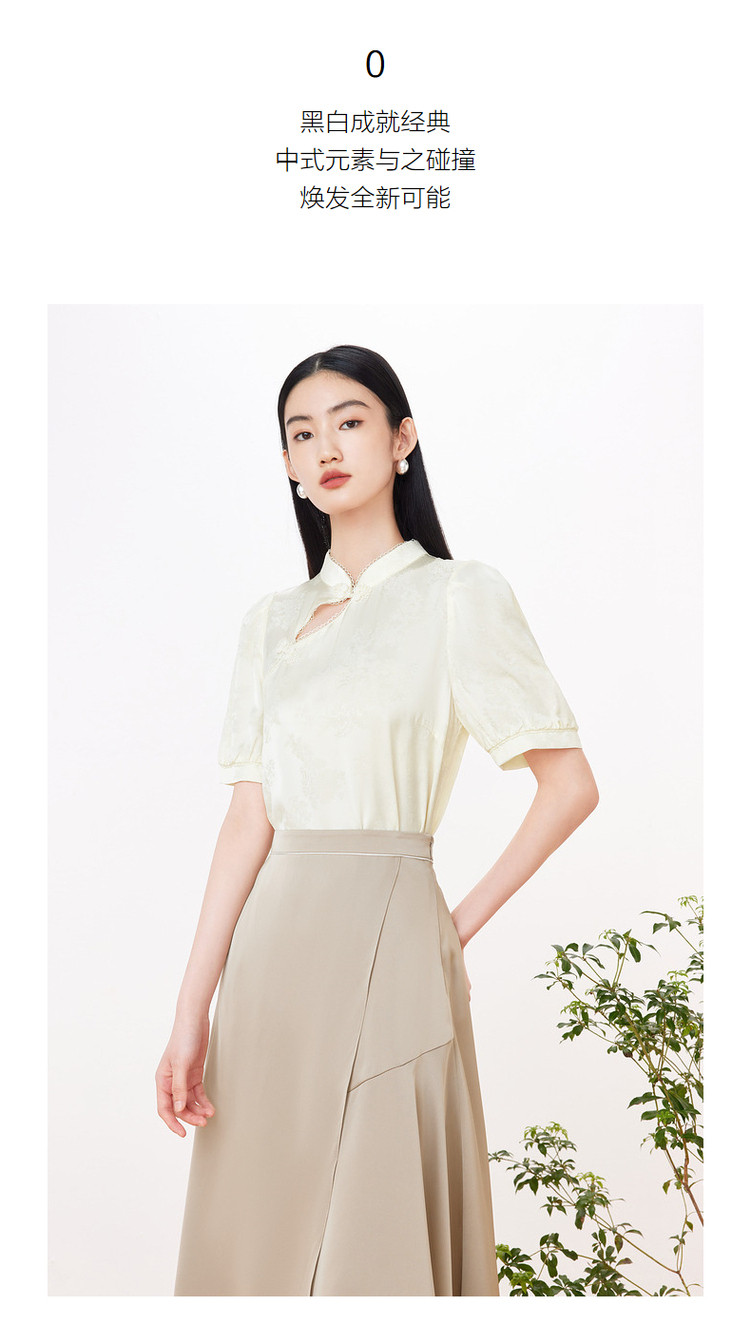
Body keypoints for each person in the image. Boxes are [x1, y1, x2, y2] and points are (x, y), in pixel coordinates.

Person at [156, 343, 599, 1296]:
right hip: (269, 967)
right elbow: (247, 821)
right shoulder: (270, 622)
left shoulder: (458, 596)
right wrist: (192, 1011)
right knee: (258, 1236)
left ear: (402, 439)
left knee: (375, 1240)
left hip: (392, 940)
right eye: (302, 432)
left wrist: (449, 926)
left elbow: (569, 787)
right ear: (286, 461)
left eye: (349, 422)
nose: (326, 447)